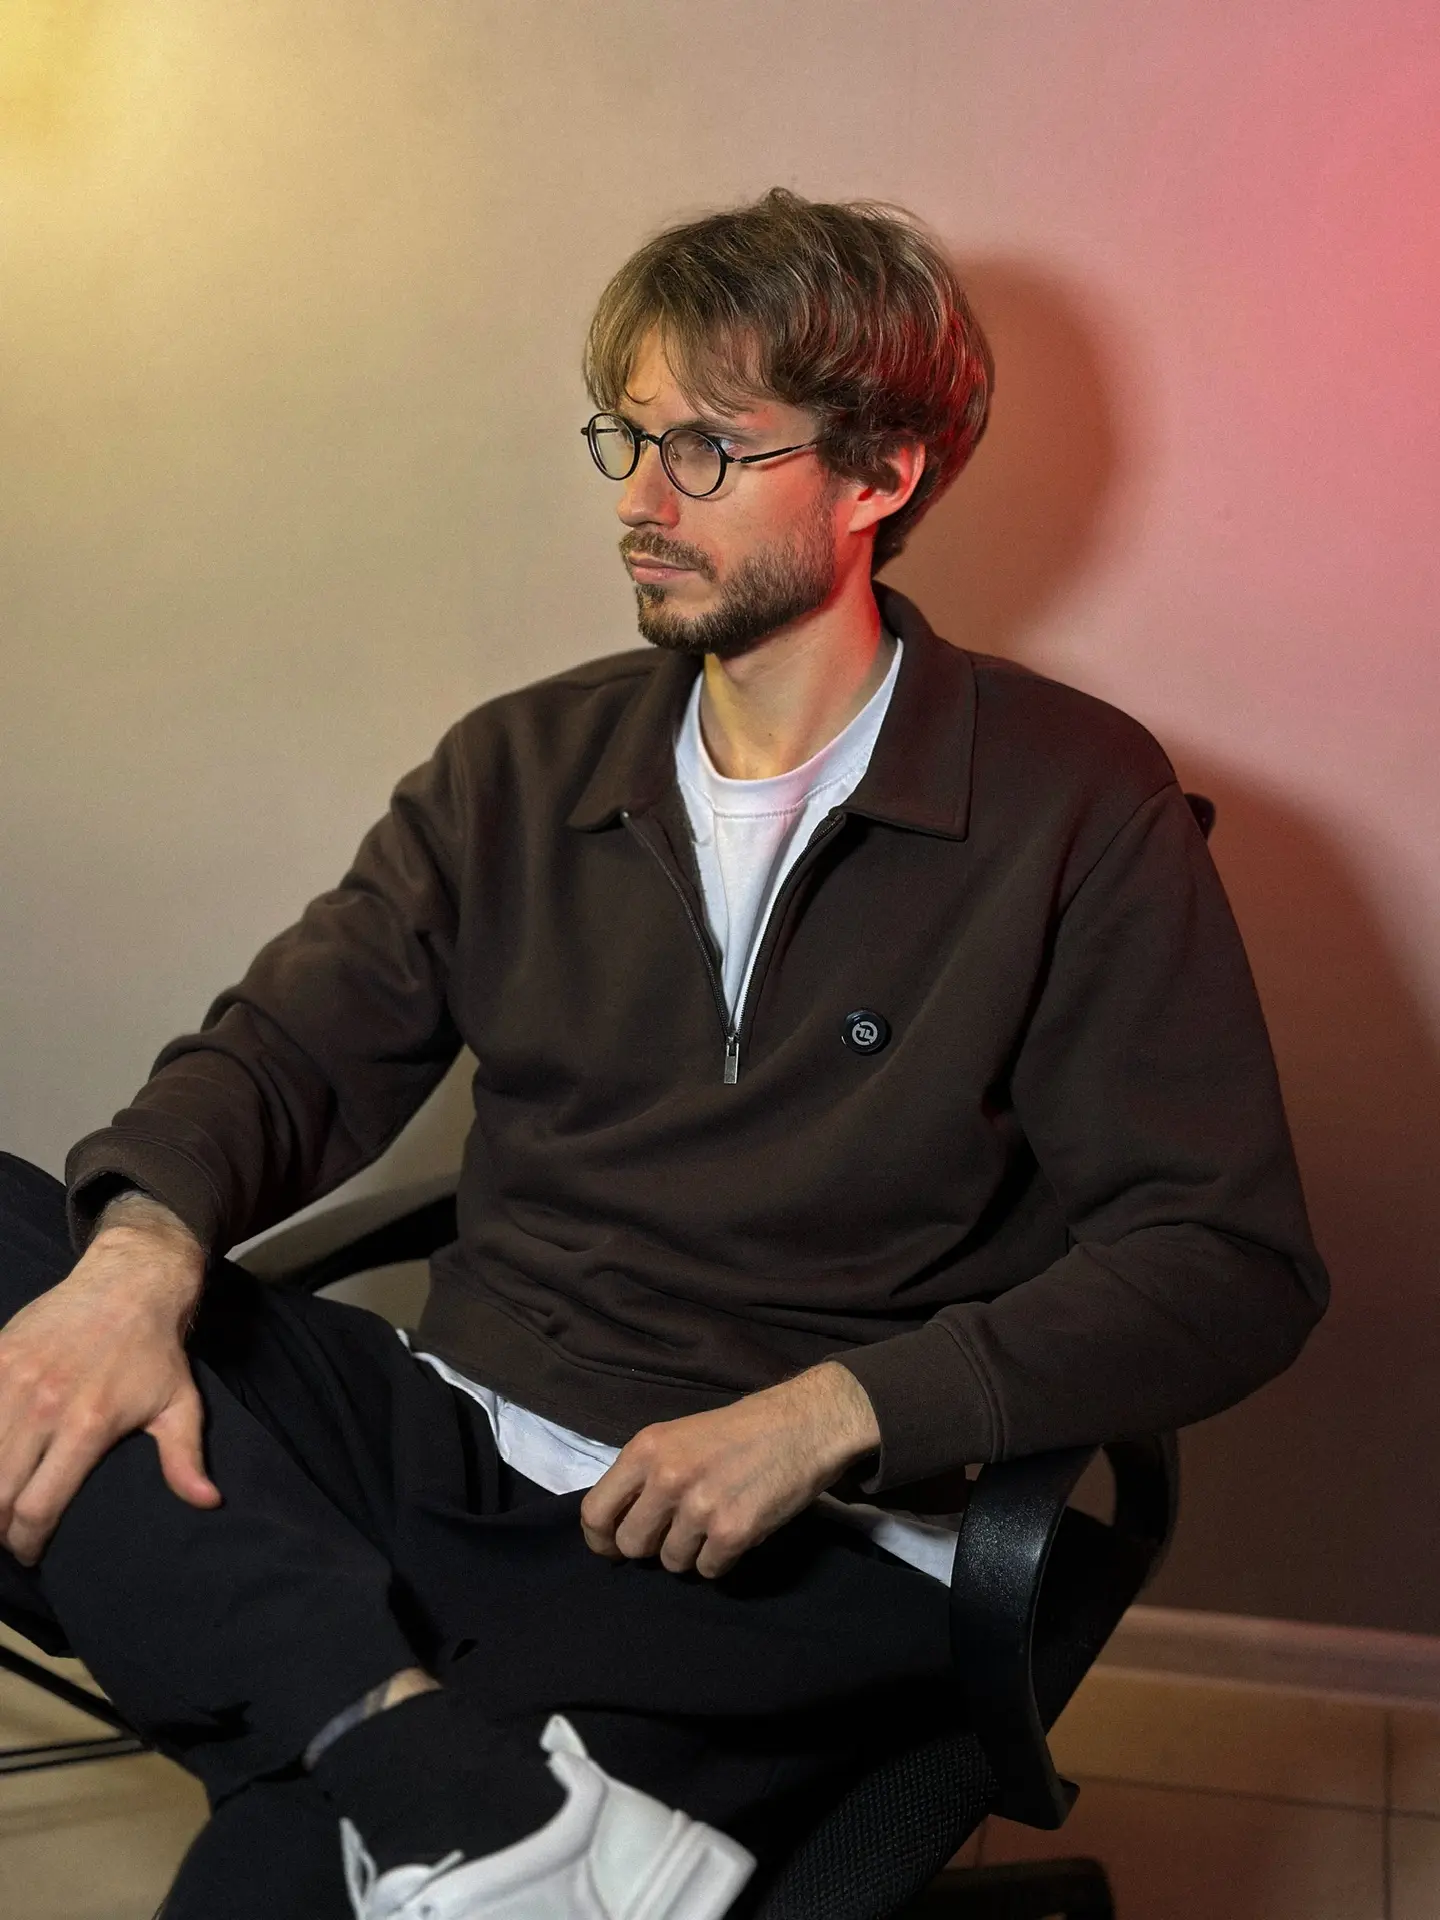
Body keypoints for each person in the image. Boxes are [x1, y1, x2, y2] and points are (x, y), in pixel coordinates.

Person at [0, 189, 1327, 1920]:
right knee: (36, 1256)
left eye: (707, 447)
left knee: (278, 1886)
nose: (640, 498)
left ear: (880, 474)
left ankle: (364, 1742)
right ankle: (400, 1738)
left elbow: (1225, 1259)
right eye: (625, 436)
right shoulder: (519, 767)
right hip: (454, 1437)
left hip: (769, 1546)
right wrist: (134, 1269)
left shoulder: (1074, 805)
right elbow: (278, 1058)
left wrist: (836, 1415)